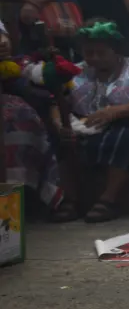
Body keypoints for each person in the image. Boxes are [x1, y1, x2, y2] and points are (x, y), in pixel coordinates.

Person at [57, 19, 129, 223]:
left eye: (101, 52)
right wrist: (60, 125)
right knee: (61, 139)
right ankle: (69, 200)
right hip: (84, 127)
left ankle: (108, 200)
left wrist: (115, 112)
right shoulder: (74, 72)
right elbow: (56, 102)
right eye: (89, 53)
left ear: (116, 51)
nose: (95, 58)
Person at [0, 22, 74, 221]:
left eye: (3, 36)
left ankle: (47, 200)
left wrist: (59, 124)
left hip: (40, 127)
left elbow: (53, 96)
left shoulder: (25, 64)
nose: (1, 42)